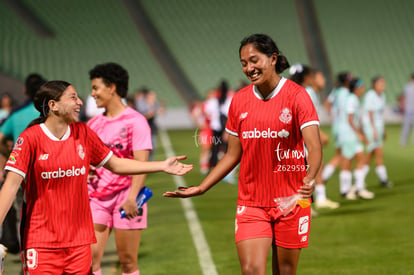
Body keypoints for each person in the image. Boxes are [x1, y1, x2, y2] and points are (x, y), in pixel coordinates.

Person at [164, 34, 321, 275]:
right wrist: (202, 187)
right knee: (251, 269)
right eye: (243, 63)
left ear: (273, 58)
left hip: (292, 200)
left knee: (286, 272)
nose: (249, 68)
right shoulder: (239, 101)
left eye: (253, 60)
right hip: (251, 203)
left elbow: (314, 146)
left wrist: (309, 178)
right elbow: (231, 155)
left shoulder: (298, 96)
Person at [0, 80, 192, 275]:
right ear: (53, 105)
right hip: (41, 243)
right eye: (73, 97)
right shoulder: (30, 138)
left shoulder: (83, 133)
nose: (80, 102)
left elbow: (116, 164)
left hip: (80, 244)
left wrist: (161, 165)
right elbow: (10, 186)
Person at [87, 63, 152, 275]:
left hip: (127, 197)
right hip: (97, 197)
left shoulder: (136, 121)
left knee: (128, 262)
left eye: (96, 87)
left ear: (112, 88)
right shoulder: (93, 124)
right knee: (89, 263)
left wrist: (133, 196)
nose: (93, 93)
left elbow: (141, 165)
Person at [0, 73, 47, 255]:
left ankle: (28, 260)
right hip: (49, 173)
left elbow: (1, 138)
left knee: (24, 219)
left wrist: (9, 154)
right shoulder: (49, 114)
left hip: (22, 175)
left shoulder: (16, 114)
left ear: (25, 90)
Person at [290, 64, 339, 209]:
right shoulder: (307, 92)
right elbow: (306, 118)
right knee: (313, 166)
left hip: (295, 135)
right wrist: (319, 134)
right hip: (303, 136)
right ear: (307, 77)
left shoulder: (295, 91)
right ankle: (312, 202)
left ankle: (307, 205)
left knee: (304, 169)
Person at [339, 78, 374, 199]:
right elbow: (350, 119)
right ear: (357, 88)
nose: (363, 88)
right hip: (349, 135)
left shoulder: (353, 99)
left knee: (349, 161)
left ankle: (347, 190)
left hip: (349, 134)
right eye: (362, 86)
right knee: (359, 159)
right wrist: (359, 133)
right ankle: (357, 188)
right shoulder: (352, 100)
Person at [361, 76, 392, 188]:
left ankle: (382, 179)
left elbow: (380, 115)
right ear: (374, 85)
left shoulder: (382, 96)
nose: (383, 85)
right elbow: (369, 114)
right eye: (381, 83)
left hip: (378, 128)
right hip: (370, 128)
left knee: (377, 153)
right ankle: (360, 180)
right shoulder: (370, 95)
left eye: (384, 83)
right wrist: (373, 131)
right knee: (370, 154)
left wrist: (383, 130)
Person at [322, 72, 353, 183]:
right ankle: (324, 177)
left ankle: (325, 176)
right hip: (345, 127)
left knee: (341, 154)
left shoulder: (336, 91)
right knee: (345, 154)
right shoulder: (347, 93)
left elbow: (327, 103)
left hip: (337, 126)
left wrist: (332, 115)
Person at [400, 74, 414, 146]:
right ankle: (404, 142)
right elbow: (403, 98)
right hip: (409, 109)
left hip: (408, 109)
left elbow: (403, 98)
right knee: (406, 126)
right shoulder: (407, 87)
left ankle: (403, 142)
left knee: (406, 126)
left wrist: (402, 107)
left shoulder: (407, 87)